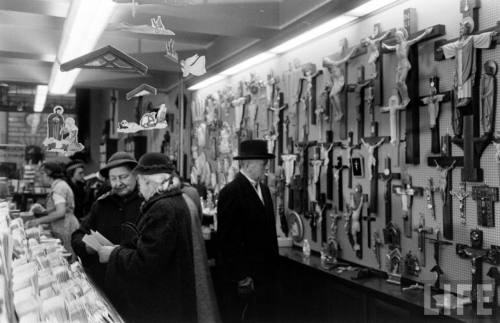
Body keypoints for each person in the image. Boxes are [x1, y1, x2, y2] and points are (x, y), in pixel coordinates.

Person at [97, 152, 197, 323]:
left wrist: (113, 254)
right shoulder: (175, 200)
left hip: (161, 305)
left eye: (140, 182)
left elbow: (146, 262)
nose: (139, 188)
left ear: (148, 182)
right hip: (173, 298)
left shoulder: (162, 208)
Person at [71, 152, 143, 315]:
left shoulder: (147, 204)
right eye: (113, 179)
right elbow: (77, 236)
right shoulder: (101, 205)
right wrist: (88, 247)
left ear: (135, 176)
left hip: (139, 287)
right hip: (107, 286)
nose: (118, 183)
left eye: (123, 177)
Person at [216, 139, 279, 323]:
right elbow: (228, 241)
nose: (266, 167)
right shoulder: (231, 192)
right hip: (247, 278)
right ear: (248, 163)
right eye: (263, 163)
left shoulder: (265, 190)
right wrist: (241, 277)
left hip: (266, 276)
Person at [26, 162, 79, 254]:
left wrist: (38, 221)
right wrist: (44, 211)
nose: (40, 177)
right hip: (65, 225)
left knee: (66, 255)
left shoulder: (59, 188)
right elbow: (61, 208)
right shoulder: (59, 185)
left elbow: (60, 212)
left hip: (66, 227)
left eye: (42, 174)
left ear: (49, 175)